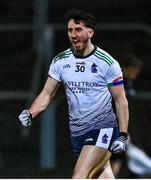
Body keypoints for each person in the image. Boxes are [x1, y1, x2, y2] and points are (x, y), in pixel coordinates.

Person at [18, 8, 129, 179]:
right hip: (78, 134)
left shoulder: (107, 63)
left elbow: (120, 100)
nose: (73, 34)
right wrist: (30, 112)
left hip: (102, 129)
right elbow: (47, 93)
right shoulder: (61, 61)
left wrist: (122, 135)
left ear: (90, 32)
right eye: (70, 30)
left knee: (79, 176)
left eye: (78, 29)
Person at [110, 52, 143, 178]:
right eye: (133, 70)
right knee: (113, 157)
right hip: (115, 128)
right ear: (127, 68)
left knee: (121, 158)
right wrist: (122, 131)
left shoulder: (128, 82)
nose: (135, 74)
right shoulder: (118, 82)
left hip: (126, 128)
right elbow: (115, 107)